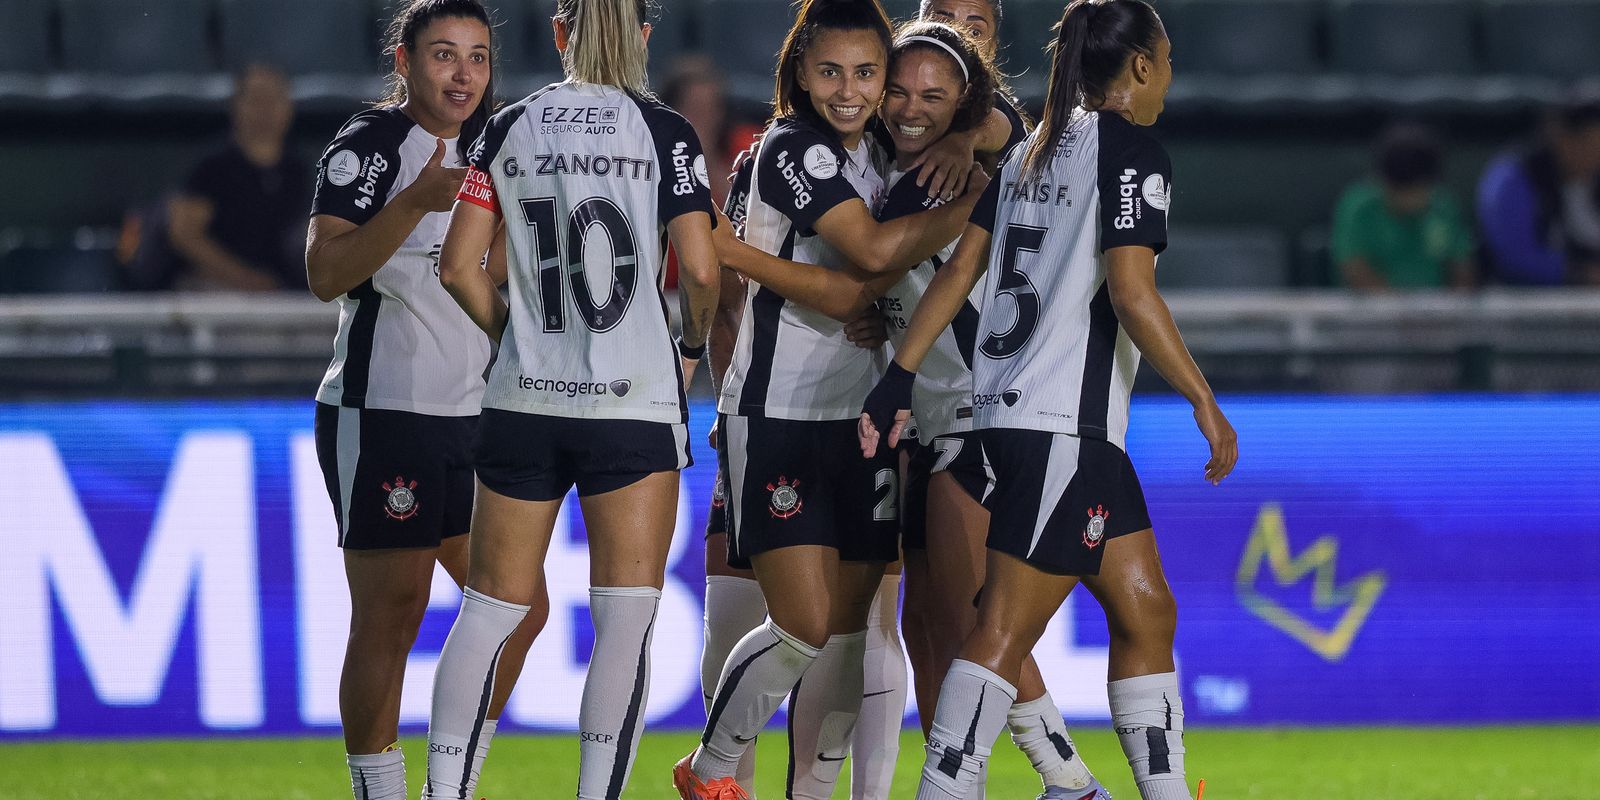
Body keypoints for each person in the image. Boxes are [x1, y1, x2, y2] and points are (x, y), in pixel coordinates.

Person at [858, 2, 1238, 799]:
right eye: (1164, 60)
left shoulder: (1033, 150)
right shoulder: (1130, 149)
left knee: (1147, 611)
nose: (1167, 77)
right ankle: (946, 788)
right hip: (1060, 421)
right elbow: (1134, 294)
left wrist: (902, 370)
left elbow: (960, 270)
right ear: (1140, 66)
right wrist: (1203, 398)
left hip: (1031, 420)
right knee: (1001, 629)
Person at [676, 2, 988, 798]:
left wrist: (963, 137)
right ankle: (709, 766)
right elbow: (872, 256)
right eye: (830, 72)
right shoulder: (791, 148)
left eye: (866, 74)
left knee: (849, 643)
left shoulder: (884, 151)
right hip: (778, 415)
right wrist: (987, 205)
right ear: (801, 70)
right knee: (802, 625)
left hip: (864, 422)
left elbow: (999, 126)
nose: (850, 92)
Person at [422, 0, 720, 798]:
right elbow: (699, 269)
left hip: (525, 400)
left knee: (488, 612)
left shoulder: (508, 126)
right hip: (632, 402)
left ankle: (442, 793)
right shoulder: (664, 133)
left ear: (559, 34)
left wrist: (512, 335)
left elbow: (456, 266)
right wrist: (690, 347)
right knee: (622, 622)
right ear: (646, 36)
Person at [304, 2, 542, 799]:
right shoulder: (368, 145)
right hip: (383, 409)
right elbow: (324, 272)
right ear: (403, 62)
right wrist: (413, 202)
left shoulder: (499, 141)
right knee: (393, 612)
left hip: (477, 414)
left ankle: (455, 778)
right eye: (444, 55)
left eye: (477, 56)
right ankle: (380, 790)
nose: (464, 74)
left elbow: (508, 267)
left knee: (521, 608)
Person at [170, 64, 310, 291]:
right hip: (217, 294)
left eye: (274, 100)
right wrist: (244, 278)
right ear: (236, 105)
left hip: (282, 295)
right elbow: (184, 234)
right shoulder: (213, 167)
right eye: (256, 100)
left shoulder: (297, 170)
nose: (265, 111)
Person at [1331, 123, 1475, 291]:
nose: (1409, 200)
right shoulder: (1359, 207)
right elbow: (1354, 267)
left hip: (1438, 312)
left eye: (1417, 190)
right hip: (1371, 313)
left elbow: (1462, 267)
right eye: (1401, 191)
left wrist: (1450, 311)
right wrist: (1397, 312)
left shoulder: (1443, 206)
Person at [1477, 96, 1600, 286]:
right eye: (1591, 147)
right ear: (1562, 138)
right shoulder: (1513, 177)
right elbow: (1515, 257)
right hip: (1518, 303)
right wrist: (1583, 273)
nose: (1595, 159)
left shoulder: (1592, 180)